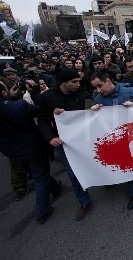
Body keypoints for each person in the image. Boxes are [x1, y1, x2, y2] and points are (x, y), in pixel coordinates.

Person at [0, 83, 62, 223]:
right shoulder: (18, 105)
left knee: (38, 175)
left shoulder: (13, 105)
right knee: (40, 177)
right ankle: (42, 211)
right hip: (32, 147)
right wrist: (18, 97)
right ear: (4, 93)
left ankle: (55, 188)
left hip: (11, 152)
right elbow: (40, 111)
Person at [38, 68, 93, 221]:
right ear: (63, 83)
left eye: (79, 81)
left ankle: (104, 181)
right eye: (74, 82)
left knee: (96, 164)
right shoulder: (47, 97)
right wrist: (51, 138)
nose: (78, 84)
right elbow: (42, 120)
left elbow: (92, 114)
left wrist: (94, 108)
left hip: (86, 139)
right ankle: (84, 201)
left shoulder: (82, 93)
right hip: (64, 143)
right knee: (73, 173)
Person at [90, 71, 133, 210]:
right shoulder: (98, 99)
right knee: (124, 164)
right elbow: (96, 124)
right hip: (116, 138)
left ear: (108, 81)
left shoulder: (129, 90)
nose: (98, 90)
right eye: (95, 87)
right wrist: (92, 113)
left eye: (100, 86)